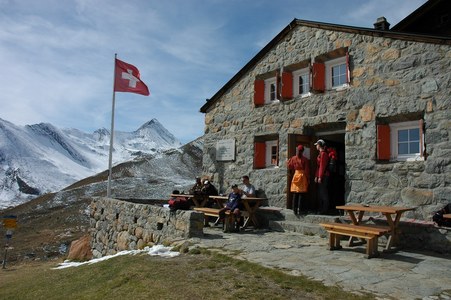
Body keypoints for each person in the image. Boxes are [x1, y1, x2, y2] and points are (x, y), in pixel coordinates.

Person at [287, 145, 310, 215]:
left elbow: (289, 166)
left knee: (295, 193)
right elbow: (306, 170)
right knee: (301, 193)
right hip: (302, 176)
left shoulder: (293, 158)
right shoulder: (305, 159)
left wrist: (288, 163)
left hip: (296, 175)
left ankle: (294, 209)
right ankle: (300, 209)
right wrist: (308, 178)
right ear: (303, 151)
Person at [314, 139, 330, 214]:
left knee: (323, 192)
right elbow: (318, 166)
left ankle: (324, 209)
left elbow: (322, 166)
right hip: (321, 175)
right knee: (320, 192)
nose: (316, 146)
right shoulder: (320, 154)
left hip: (324, 175)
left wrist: (320, 176)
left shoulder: (323, 154)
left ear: (319, 145)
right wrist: (316, 176)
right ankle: (320, 208)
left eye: (317, 145)